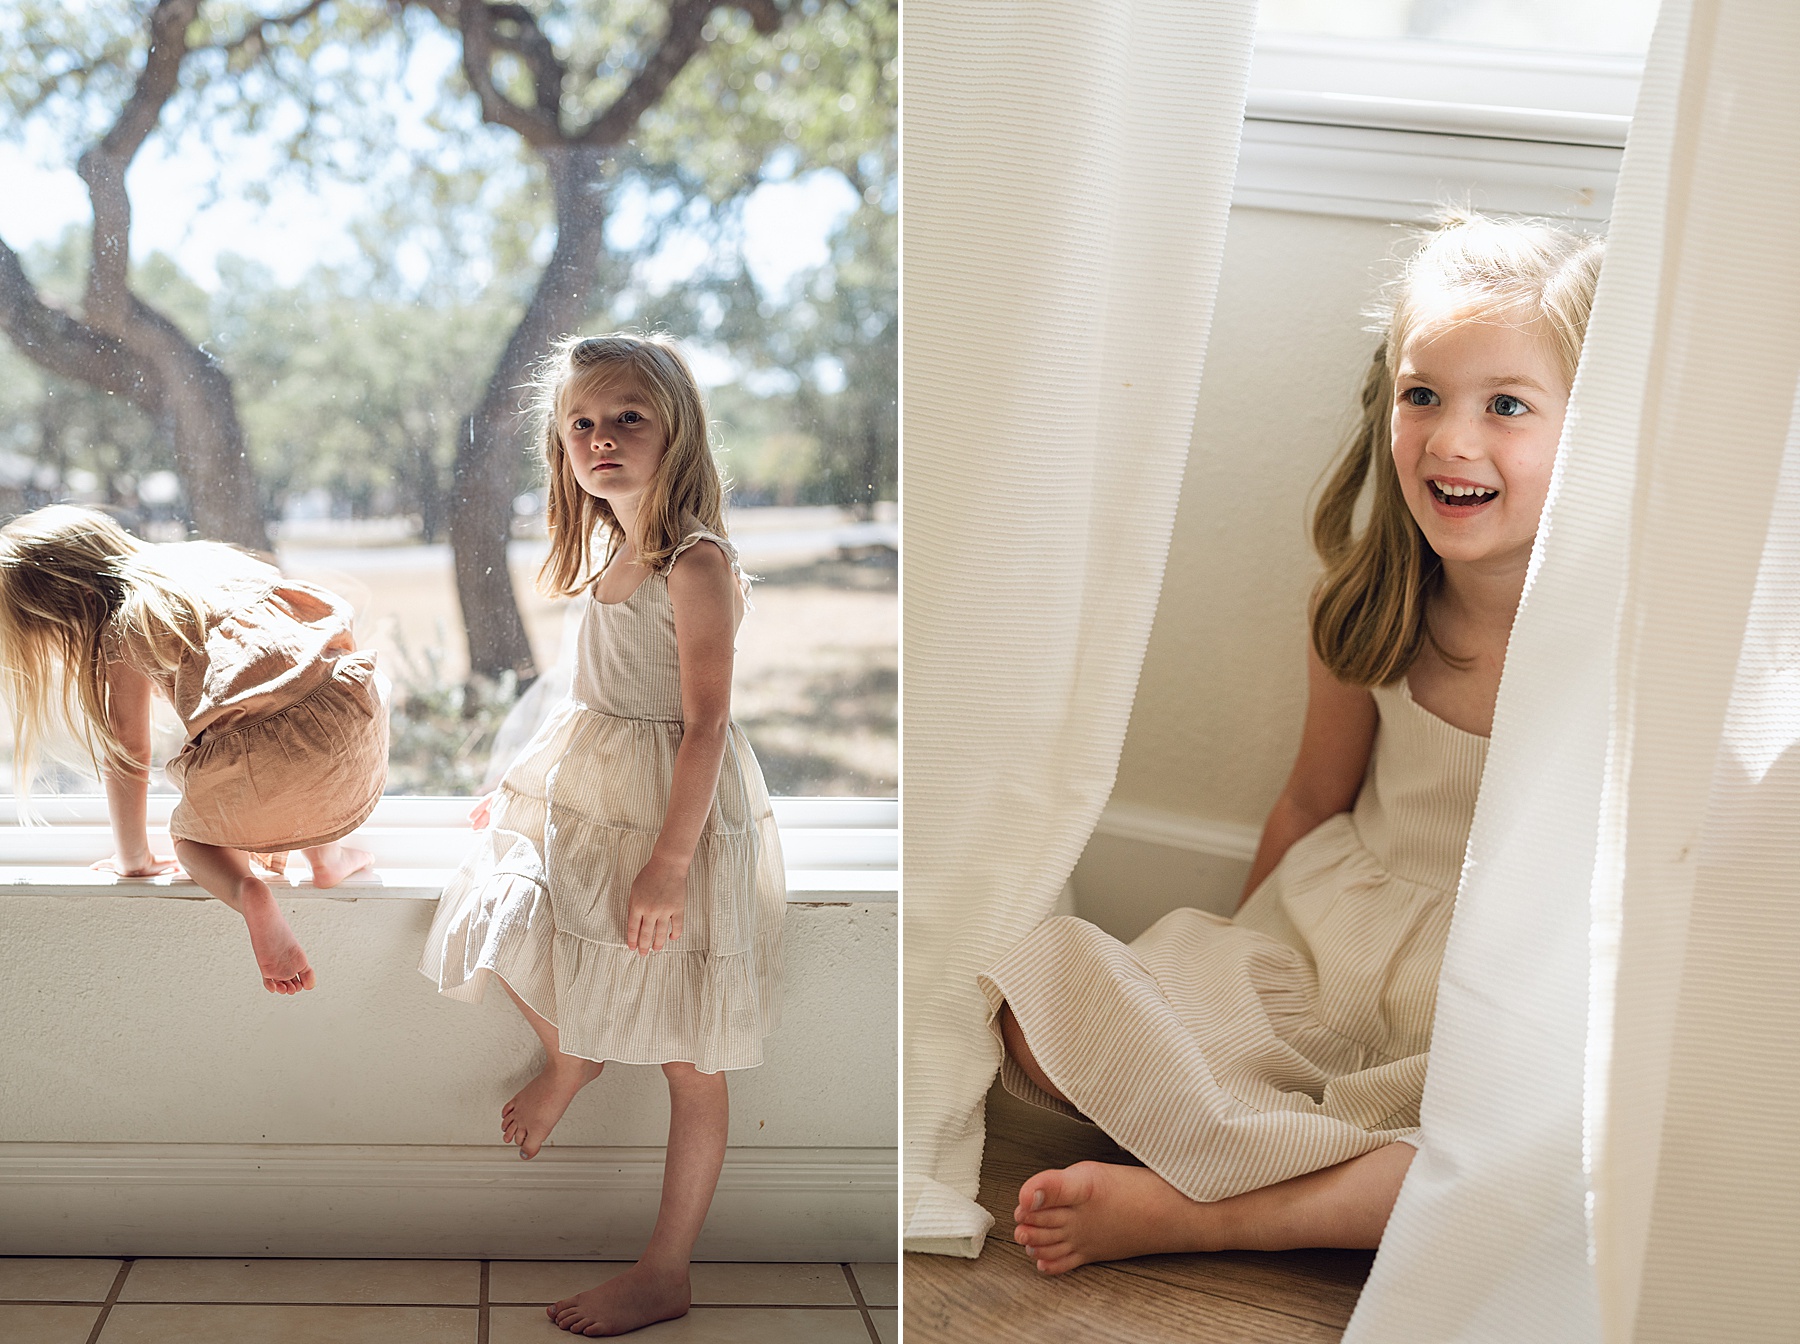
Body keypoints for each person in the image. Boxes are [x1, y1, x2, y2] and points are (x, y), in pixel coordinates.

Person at [982, 213, 1604, 1275]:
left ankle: (1203, 1213)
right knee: (1028, 1002)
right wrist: (1217, 964)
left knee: (1528, 1153)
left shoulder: (1608, 644)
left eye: (1507, 407)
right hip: (1328, 949)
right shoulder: (1366, 608)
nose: (1453, 441)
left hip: (1477, 989)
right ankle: (1253, 1142)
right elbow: (1314, 803)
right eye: (1424, 397)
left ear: (1592, 428)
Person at [419, 333, 785, 1337]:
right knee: (498, 914)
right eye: (582, 423)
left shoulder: (694, 562)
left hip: (676, 821)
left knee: (689, 1060)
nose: (602, 439)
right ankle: (574, 1056)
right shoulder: (614, 554)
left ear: (677, 431)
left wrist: (669, 870)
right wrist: (515, 789)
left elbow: (705, 724)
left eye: (628, 417)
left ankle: (667, 1267)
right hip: (596, 804)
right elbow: (582, 699)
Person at [0, 506, 387, 994]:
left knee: (195, 839)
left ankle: (247, 892)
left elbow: (130, 748)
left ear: (67, 605)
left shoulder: (124, 621)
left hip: (276, 756)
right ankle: (327, 858)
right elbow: (287, 672)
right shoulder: (206, 562)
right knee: (292, 719)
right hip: (355, 719)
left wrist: (134, 858)